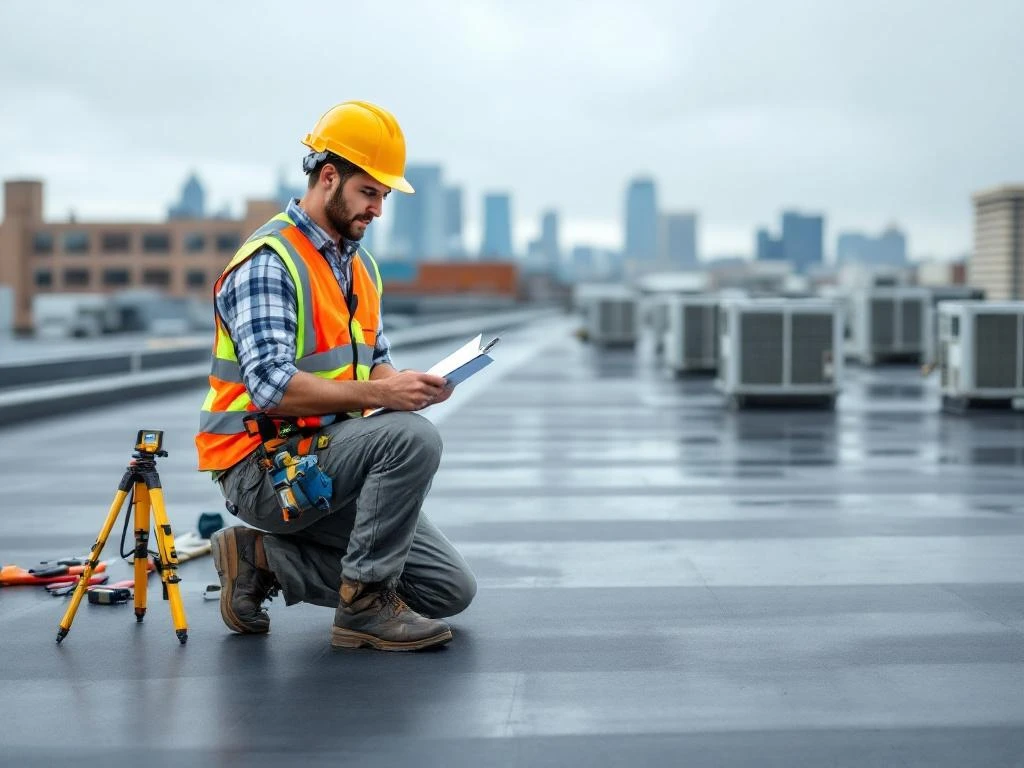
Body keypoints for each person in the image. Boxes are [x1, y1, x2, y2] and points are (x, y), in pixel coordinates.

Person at [196, 101, 476, 651]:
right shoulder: (270, 261)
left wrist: (411, 387)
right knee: (412, 439)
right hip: (264, 468)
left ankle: (260, 559)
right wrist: (383, 394)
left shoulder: (359, 265)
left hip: (328, 458)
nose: (377, 209)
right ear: (328, 178)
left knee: (447, 589)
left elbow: (374, 358)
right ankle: (364, 608)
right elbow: (270, 387)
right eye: (369, 192)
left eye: (384, 196)